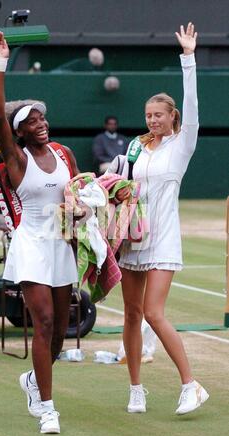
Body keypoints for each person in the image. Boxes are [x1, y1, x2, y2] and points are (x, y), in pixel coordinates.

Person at [108, 23, 209, 415]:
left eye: (159, 115)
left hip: (164, 238)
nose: (152, 120)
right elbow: (123, 183)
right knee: (132, 314)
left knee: (153, 312)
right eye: (148, 115)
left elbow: (193, 101)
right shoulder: (136, 146)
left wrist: (188, 58)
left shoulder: (183, 144)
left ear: (172, 117)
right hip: (133, 238)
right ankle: (136, 389)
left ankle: (191, 385)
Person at [0, 32, 79, 434]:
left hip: (62, 245)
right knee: (42, 323)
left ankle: (32, 381)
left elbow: (80, 195)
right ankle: (48, 409)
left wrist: (83, 211)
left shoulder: (64, 154)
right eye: (31, 121)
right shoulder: (16, 160)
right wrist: (0, 64)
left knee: (60, 332)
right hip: (31, 245)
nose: (40, 123)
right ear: (19, 132)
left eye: (42, 118)